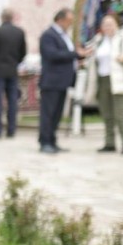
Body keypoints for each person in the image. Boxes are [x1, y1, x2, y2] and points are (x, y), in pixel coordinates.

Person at [38, 8, 89, 155]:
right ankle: (45, 142)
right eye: (69, 21)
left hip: (62, 81)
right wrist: (75, 54)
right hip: (51, 81)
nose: (70, 24)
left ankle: (52, 141)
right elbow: (52, 55)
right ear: (60, 20)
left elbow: (68, 55)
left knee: (57, 114)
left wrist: (80, 56)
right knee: (48, 113)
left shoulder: (64, 35)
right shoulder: (49, 35)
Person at [83, 14, 123, 154]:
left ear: (117, 24)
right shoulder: (98, 40)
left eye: (110, 24)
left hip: (119, 80)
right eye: (105, 24)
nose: (107, 27)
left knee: (121, 114)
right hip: (102, 80)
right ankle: (109, 143)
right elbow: (92, 58)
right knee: (107, 114)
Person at [0, 9, 27, 139]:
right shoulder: (19, 32)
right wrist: (15, 63)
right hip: (12, 70)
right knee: (12, 101)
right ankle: (11, 130)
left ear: (2, 18)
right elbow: (23, 52)